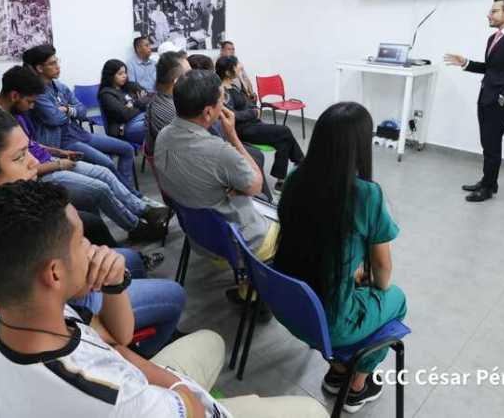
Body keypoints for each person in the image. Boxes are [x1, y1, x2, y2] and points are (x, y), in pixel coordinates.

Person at [0, 181, 329, 418]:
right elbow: (191, 410)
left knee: (211, 342)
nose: (93, 248)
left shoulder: (12, 320)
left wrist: (115, 283)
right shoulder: (116, 402)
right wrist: (180, 388)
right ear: (54, 273)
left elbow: (117, 342)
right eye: (80, 241)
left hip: (143, 383)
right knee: (311, 411)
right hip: (175, 404)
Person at [0, 100, 187, 358]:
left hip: (43, 295)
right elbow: (74, 296)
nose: (34, 163)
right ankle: (141, 353)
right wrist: (114, 332)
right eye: (20, 157)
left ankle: (148, 325)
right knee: (173, 295)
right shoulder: (10, 229)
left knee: (130, 259)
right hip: (66, 310)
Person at [274, 102, 407, 414]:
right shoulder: (366, 195)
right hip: (329, 322)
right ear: (360, 147)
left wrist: (352, 275)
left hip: (292, 308)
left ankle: (337, 371)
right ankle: (356, 386)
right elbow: (384, 276)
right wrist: (366, 279)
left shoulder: (295, 180)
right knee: (396, 300)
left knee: (356, 292)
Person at [0, 61, 126, 248]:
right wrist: (56, 166)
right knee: (93, 205)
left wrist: (56, 156)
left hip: (21, 196)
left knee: (93, 201)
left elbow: (31, 151)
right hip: (16, 211)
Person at [0, 65, 169, 244]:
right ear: (15, 96)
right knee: (100, 187)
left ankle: (144, 210)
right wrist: (58, 163)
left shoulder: (18, 114)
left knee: (104, 172)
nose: (32, 107)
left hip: (52, 157)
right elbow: (19, 172)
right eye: (30, 102)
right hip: (41, 173)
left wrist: (59, 152)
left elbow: (33, 143)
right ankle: (136, 227)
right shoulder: (0, 127)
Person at [154, 70, 278, 309]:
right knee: (287, 224)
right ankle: (256, 293)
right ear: (209, 112)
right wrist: (232, 135)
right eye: (222, 99)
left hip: (198, 234)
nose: (225, 103)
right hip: (236, 243)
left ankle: (248, 287)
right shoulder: (219, 151)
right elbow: (255, 184)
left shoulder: (163, 136)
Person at [444, 0, 504, 202]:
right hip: (485, 96)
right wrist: (466, 63)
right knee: (488, 143)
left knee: (492, 144)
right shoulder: (493, 38)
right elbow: (492, 69)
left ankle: (487, 188)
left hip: (499, 101)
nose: (489, 14)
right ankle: (488, 181)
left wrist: (503, 97)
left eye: (494, 11)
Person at [148, 53, 273, 202]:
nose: (194, 76)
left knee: (254, 156)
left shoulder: (166, 130)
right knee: (256, 172)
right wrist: (232, 135)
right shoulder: (216, 149)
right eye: (189, 73)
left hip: (189, 201)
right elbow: (254, 185)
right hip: (219, 206)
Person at [23, 45, 139, 193]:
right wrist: (71, 111)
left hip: (80, 133)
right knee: (107, 163)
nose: (58, 67)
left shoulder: (60, 86)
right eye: (52, 63)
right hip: (64, 142)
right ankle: (132, 195)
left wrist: (67, 109)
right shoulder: (38, 93)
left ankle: (127, 193)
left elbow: (83, 111)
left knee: (127, 149)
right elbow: (54, 118)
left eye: (57, 61)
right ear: (39, 68)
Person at [216, 56, 304, 190]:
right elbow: (231, 115)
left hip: (253, 124)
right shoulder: (223, 91)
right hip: (243, 129)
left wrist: (253, 107)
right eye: (237, 65)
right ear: (228, 72)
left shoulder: (234, 86)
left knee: (283, 139)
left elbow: (248, 104)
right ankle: (299, 164)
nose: (240, 66)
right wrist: (254, 112)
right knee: (284, 131)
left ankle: (283, 179)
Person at [98, 59, 150, 144]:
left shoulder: (131, 86)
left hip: (141, 118)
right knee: (155, 125)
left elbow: (149, 99)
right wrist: (140, 103)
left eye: (125, 72)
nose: (124, 76)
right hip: (123, 128)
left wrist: (133, 104)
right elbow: (124, 115)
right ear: (110, 75)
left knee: (160, 119)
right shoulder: (106, 94)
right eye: (120, 74)